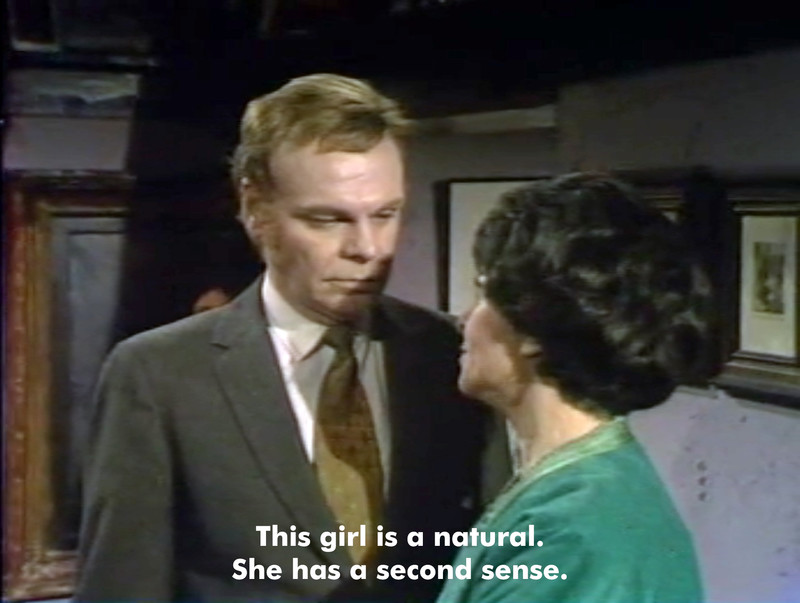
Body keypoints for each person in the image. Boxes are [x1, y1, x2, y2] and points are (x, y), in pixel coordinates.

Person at [77, 74, 508, 602]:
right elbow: (121, 587)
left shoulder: (447, 354)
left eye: (385, 215)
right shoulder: (160, 374)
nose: (369, 248)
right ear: (256, 210)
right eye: (328, 219)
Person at [437, 173, 712, 603]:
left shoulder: (572, 533)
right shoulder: (577, 490)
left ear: (532, 329)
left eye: (483, 293)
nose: (464, 318)